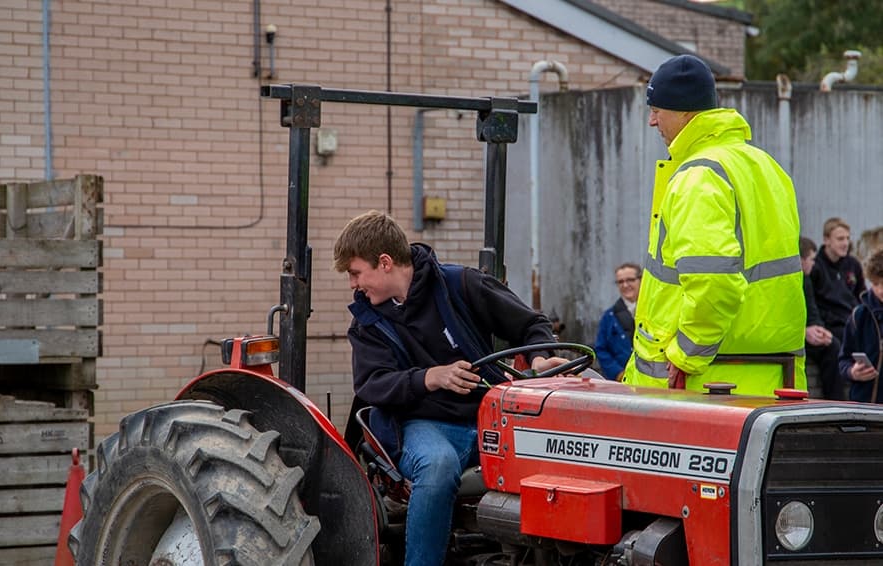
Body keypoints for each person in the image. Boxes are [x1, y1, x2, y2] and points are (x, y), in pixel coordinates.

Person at [333, 210, 566, 566]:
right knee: (438, 466)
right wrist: (430, 377)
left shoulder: (461, 285)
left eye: (355, 273)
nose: (353, 285)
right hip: (424, 425)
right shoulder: (368, 323)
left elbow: (532, 324)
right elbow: (372, 385)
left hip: (491, 419)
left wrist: (538, 361)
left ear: (384, 263)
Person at [623, 54, 806, 394]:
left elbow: (714, 283)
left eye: (657, 110)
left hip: (705, 386)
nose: (652, 121)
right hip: (771, 379)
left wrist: (685, 355)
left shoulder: (699, 176)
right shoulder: (764, 165)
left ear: (684, 113)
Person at [800, 237, 844, 400]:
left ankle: (836, 403)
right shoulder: (790, 282)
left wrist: (820, 330)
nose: (814, 264)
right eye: (811, 259)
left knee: (833, 345)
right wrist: (804, 331)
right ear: (801, 260)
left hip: (807, 334)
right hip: (792, 335)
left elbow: (812, 311)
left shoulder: (806, 280)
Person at [838, 247, 883, 403]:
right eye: (876, 283)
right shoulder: (859, 316)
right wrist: (852, 372)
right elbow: (843, 360)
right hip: (863, 407)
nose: (881, 290)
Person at [811, 217, 866, 342]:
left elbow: (862, 296)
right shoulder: (815, 267)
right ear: (826, 240)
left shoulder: (853, 264)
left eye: (847, 238)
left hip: (854, 323)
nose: (846, 243)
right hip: (830, 329)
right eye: (840, 239)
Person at [595, 262, 641, 380]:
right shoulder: (608, 317)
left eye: (630, 280)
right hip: (621, 383)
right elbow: (601, 349)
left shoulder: (653, 311)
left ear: (641, 280)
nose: (625, 285)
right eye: (620, 282)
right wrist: (618, 373)